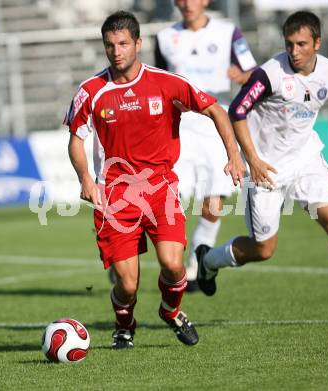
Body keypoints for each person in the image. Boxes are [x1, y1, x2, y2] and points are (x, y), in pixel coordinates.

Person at [195, 10, 328, 324]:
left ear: (317, 42)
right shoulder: (270, 74)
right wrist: (253, 160)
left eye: (301, 44)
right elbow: (237, 112)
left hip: (305, 158)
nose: (294, 51)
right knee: (263, 250)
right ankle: (208, 260)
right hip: (266, 169)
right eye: (289, 44)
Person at [65, 10, 246, 349]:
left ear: (138, 43)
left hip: (160, 190)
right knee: (128, 285)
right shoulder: (91, 91)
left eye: (122, 43)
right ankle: (124, 325)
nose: (116, 51)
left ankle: (170, 311)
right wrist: (86, 179)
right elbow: (76, 139)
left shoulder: (165, 83)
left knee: (174, 264)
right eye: (109, 45)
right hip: (115, 197)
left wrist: (234, 155)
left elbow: (216, 110)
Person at [154, 0, 257, 291]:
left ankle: (197, 265)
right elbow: (156, 81)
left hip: (215, 120)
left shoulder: (228, 33)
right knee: (170, 198)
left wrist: (243, 75)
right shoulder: (164, 38)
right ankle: (144, 258)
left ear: (205, 1)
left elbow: (255, 73)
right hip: (180, 124)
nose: (187, 4)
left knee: (214, 200)